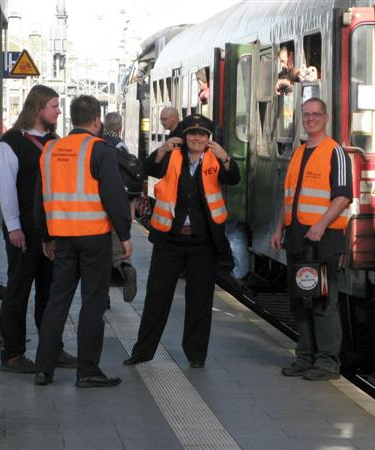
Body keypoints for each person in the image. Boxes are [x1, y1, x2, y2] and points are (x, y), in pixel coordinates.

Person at [123, 114, 240, 369]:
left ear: (208, 139)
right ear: (183, 137)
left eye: (202, 135)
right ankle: (143, 352)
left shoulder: (216, 159)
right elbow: (148, 169)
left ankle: (196, 355)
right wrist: (163, 148)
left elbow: (234, 178)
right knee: (156, 297)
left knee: (200, 300)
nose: (197, 138)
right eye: (192, 134)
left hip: (203, 243)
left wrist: (226, 157)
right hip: (170, 240)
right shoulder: (172, 156)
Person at [34, 95, 132, 388]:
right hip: (93, 239)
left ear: (71, 119)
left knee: (57, 301)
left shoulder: (50, 149)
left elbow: (39, 199)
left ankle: (43, 369)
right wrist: (125, 236)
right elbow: (114, 197)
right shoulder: (99, 149)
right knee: (92, 302)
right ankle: (87, 371)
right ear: (96, 121)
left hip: (61, 239)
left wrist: (45, 236)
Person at [0, 84, 77, 373]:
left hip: (52, 232)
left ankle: (51, 349)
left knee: (50, 292)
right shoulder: (11, 142)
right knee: (18, 291)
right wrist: (14, 227)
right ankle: (12, 354)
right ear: (38, 107)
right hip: (25, 232)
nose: (58, 111)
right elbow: (6, 189)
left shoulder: (56, 142)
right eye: (54, 106)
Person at [270, 98, 352, 381]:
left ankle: (328, 362)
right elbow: (289, 198)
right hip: (296, 239)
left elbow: (342, 197)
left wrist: (320, 225)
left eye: (316, 114)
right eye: (306, 114)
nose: (311, 118)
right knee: (300, 299)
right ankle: (305, 357)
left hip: (323, 240)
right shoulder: (299, 152)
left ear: (326, 118)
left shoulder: (335, 153)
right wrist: (279, 229)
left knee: (322, 301)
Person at [103, 111, 141, 303]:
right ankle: (126, 269)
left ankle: (104, 298)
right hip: (120, 205)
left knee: (102, 253)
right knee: (119, 249)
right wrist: (131, 207)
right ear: (120, 128)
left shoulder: (99, 143)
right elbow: (130, 180)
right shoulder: (121, 146)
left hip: (100, 204)